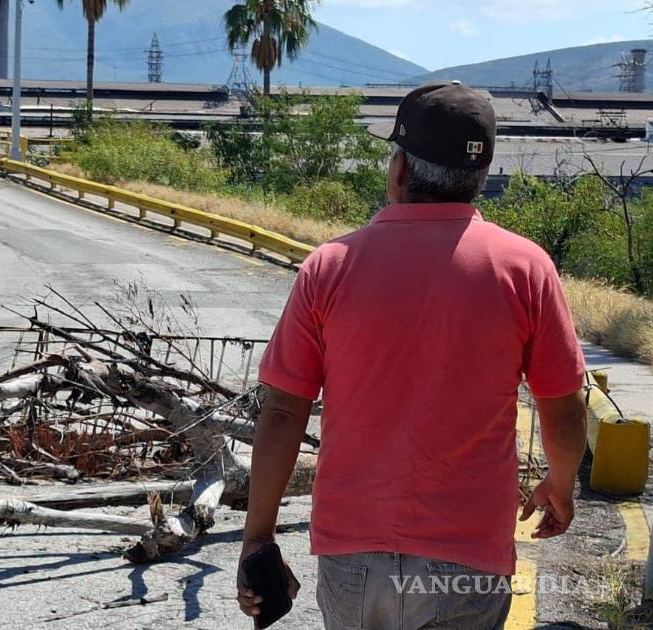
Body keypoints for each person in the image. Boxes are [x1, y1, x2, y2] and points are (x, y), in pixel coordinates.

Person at [235, 81, 588, 629]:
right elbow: (563, 408)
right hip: (467, 556)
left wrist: (258, 537)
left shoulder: (330, 266)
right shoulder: (525, 268)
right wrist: (559, 486)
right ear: (481, 176)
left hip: (353, 555)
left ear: (399, 169)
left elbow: (283, 411)